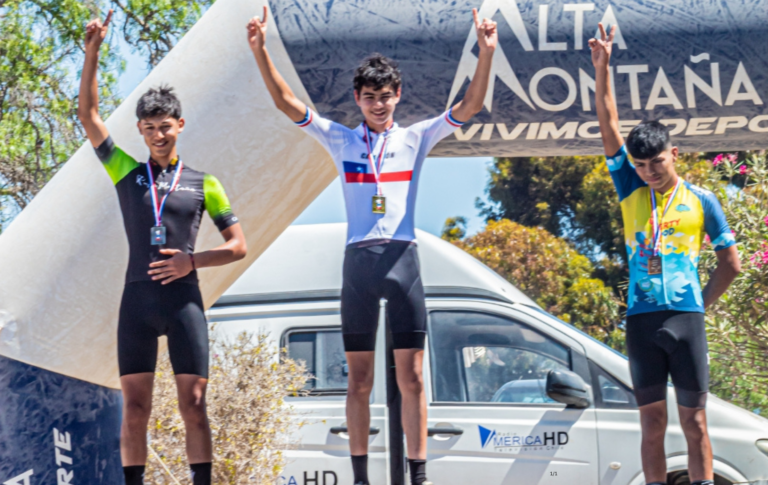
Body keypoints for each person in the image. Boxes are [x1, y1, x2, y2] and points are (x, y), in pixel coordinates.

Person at [246, 6, 496, 485]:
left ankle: (419, 474)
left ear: (398, 96)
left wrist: (485, 52)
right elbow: (286, 103)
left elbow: (469, 106)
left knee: (414, 378)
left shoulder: (416, 138)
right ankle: (360, 477)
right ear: (357, 100)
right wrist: (260, 50)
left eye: (385, 97)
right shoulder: (341, 140)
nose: (379, 105)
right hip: (359, 263)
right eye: (369, 98)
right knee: (358, 381)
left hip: (403, 260)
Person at [78, 11, 247, 485]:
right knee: (135, 409)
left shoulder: (204, 183)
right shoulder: (127, 175)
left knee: (194, 406)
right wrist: (92, 51)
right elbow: (89, 117)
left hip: (184, 301)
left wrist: (195, 260)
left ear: (180, 125)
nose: (158, 135)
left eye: (165, 126)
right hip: (137, 300)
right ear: (140, 131)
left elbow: (238, 246)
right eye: (149, 128)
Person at [590, 23, 741, 485]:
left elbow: (730, 263)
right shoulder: (629, 188)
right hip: (642, 321)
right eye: (641, 164)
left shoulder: (702, 201)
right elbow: (608, 122)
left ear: (674, 153)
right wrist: (603, 67)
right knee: (651, 425)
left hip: (686, 320)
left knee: (696, 425)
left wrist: (698, 304)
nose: (650, 171)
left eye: (657, 162)